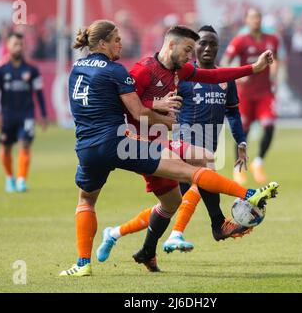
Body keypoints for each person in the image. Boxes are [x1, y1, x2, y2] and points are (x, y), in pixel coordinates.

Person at [59, 20, 279, 276]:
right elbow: (134, 110)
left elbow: (214, 75)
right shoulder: (135, 71)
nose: (191, 56)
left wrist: (253, 68)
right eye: (187, 50)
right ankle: (242, 199)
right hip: (131, 141)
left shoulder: (78, 68)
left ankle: (122, 253)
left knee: (170, 201)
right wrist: (161, 110)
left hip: (90, 146)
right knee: (199, 162)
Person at [96, 25, 250, 258]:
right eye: (199, 45)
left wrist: (241, 143)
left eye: (213, 44)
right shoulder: (174, 74)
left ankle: (126, 238)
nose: (206, 48)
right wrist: (155, 107)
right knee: (200, 176)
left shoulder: (213, 78)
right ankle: (192, 230)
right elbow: (129, 105)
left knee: (171, 204)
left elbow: (233, 111)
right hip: (166, 143)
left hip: (184, 143)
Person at [221, 8, 279, 185]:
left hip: (265, 93)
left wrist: (274, 73)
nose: (256, 20)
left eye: (259, 17)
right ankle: (238, 168)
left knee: (269, 126)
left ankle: (258, 162)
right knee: (242, 133)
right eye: (253, 17)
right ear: (246, 20)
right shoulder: (240, 40)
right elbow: (224, 62)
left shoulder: (272, 39)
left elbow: (275, 60)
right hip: (244, 95)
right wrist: (239, 75)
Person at [0, 32, 48, 193]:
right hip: (7, 115)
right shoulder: (0, 69)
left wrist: (43, 115)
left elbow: (39, 93)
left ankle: (21, 179)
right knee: (6, 147)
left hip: (26, 114)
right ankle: (10, 178)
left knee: (25, 144)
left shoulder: (32, 69)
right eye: (15, 44)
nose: (18, 47)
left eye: (21, 44)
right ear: (8, 46)